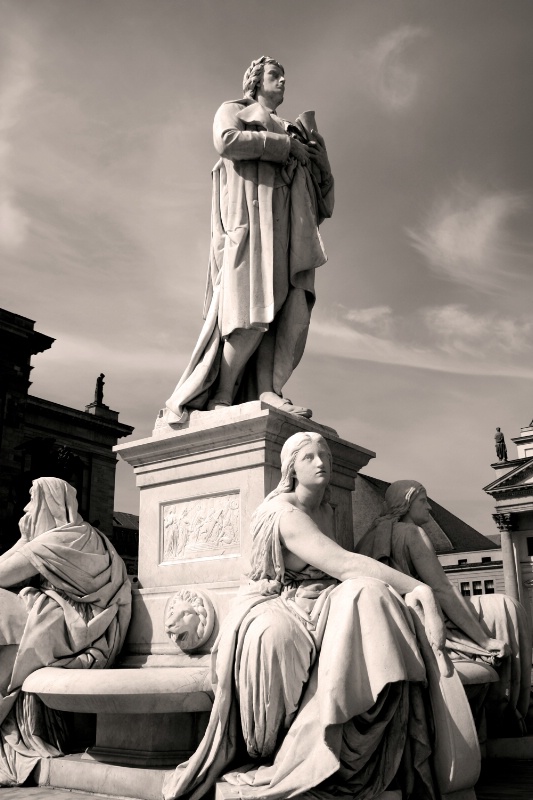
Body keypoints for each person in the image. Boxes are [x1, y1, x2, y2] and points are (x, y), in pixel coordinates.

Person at [163, 433, 450, 800]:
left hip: (320, 598)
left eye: (324, 455)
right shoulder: (284, 513)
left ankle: (358, 733)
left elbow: (347, 569)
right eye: (309, 457)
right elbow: (344, 563)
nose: (321, 463)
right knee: (275, 637)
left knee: (372, 595)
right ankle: (274, 750)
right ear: (291, 468)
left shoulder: (330, 509)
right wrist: (418, 589)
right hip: (281, 602)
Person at [163, 57, 334, 425]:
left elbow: (324, 203)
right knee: (251, 307)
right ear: (255, 81)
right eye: (275, 74)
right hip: (252, 225)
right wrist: (284, 147)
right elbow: (226, 141)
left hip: (290, 230)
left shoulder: (294, 130)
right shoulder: (235, 110)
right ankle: (223, 394)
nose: (283, 80)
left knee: (287, 307)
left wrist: (321, 162)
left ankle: (266, 387)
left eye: (284, 75)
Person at [356, 480, 531, 737]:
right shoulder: (411, 533)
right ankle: (509, 715)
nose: (430, 508)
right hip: (423, 617)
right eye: (423, 501)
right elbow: (442, 590)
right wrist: (484, 639)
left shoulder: (368, 538)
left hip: (397, 617)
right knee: (506, 608)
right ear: (405, 504)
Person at [0, 477, 132, 786]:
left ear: (50, 504)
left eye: (32, 501)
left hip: (76, 630)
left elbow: (3, 574)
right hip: (79, 628)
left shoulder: (62, 539)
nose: (25, 508)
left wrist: (25, 541)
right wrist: (26, 539)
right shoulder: (79, 533)